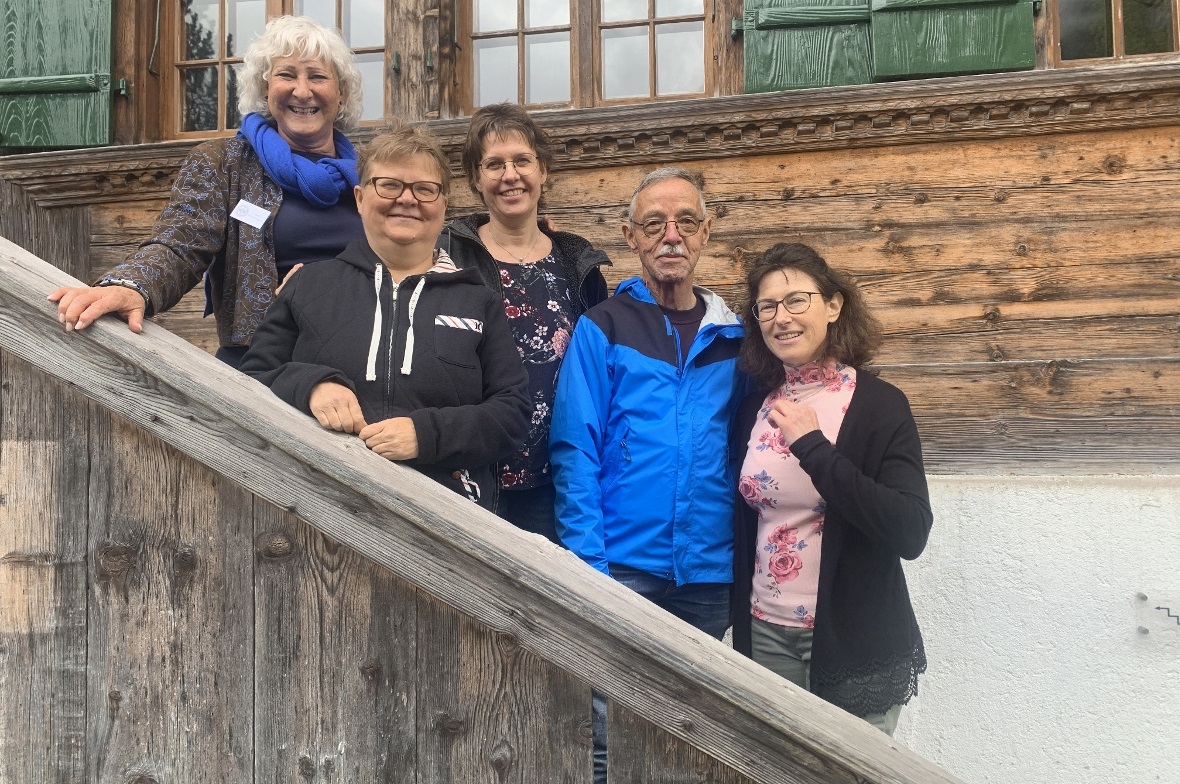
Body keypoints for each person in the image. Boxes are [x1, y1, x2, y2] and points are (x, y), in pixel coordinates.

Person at [549, 167, 744, 783]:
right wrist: (589, 564)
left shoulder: (737, 339)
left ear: (707, 232)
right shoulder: (604, 326)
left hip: (709, 575)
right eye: (654, 223)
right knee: (606, 737)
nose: (671, 236)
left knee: (696, 736)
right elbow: (574, 447)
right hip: (623, 569)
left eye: (686, 221)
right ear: (630, 236)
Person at [239, 123, 530, 510]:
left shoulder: (477, 300)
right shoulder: (309, 285)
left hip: (447, 518)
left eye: (424, 189)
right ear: (360, 198)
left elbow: (512, 412)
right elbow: (252, 378)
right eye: (389, 185)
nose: (407, 200)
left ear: (444, 204)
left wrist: (426, 435)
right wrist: (311, 386)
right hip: (317, 504)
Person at [48, 16, 366, 368]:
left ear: (342, 94)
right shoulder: (224, 163)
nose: (302, 91)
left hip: (367, 353)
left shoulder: (374, 173)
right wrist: (132, 286)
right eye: (286, 75)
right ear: (264, 89)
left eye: (318, 76)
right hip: (269, 359)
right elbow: (180, 245)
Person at [731, 242, 932, 736]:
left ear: (834, 305)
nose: (783, 317)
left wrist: (814, 448)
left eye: (797, 300)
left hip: (853, 638)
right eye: (767, 306)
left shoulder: (880, 405)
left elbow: (910, 529)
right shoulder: (754, 408)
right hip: (766, 631)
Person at [438, 103, 610, 542]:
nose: (509, 175)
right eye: (493, 164)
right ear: (476, 179)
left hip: (555, 481)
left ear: (543, 171)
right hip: (471, 472)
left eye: (522, 161)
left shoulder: (576, 262)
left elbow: (597, 370)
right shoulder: (448, 256)